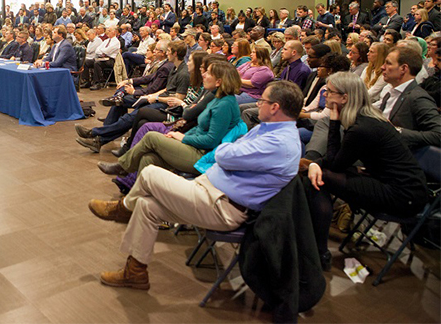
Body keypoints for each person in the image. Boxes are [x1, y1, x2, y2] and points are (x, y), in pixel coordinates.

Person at [89, 80, 303, 290]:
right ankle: (135, 273)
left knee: (150, 174)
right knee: (146, 206)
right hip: (211, 193)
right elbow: (229, 151)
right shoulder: (269, 130)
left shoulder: (279, 143)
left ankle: (123, 208)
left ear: (275, 107)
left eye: (262, 101)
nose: (257, 104)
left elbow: (223, 154)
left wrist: (227, 153)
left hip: (222, 206)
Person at [306, 72, 428, 270]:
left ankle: (319, 251)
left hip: (404, 196)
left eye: (329, 92)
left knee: (319, 178)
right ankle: (319, 250)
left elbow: (334, 163)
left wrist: (333, 124)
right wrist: (316, 163)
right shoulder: (365, 119)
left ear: (344, 98)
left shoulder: (362, 128)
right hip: (394, 184)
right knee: (317, 175)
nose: (325, 95)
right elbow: (336, 160)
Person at [95, 60, 242, 183]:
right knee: (148, 158)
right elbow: (198, 127)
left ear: (219, 81)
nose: (202, 74)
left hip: (203, 155)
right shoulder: (216, 97)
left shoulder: (225, 105)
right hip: (195, 146)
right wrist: (177, 134)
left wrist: (183, 137)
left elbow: (211, 140)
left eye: (208, 72)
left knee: (151, 136)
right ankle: (133, 201)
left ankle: (123, 166)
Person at [377, 47, 441, 151]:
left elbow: (438, 134)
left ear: (403, 69)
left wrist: (396, 131)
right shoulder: (390, 93)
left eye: (388, 63)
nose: (382, 67)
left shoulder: (418, 97)